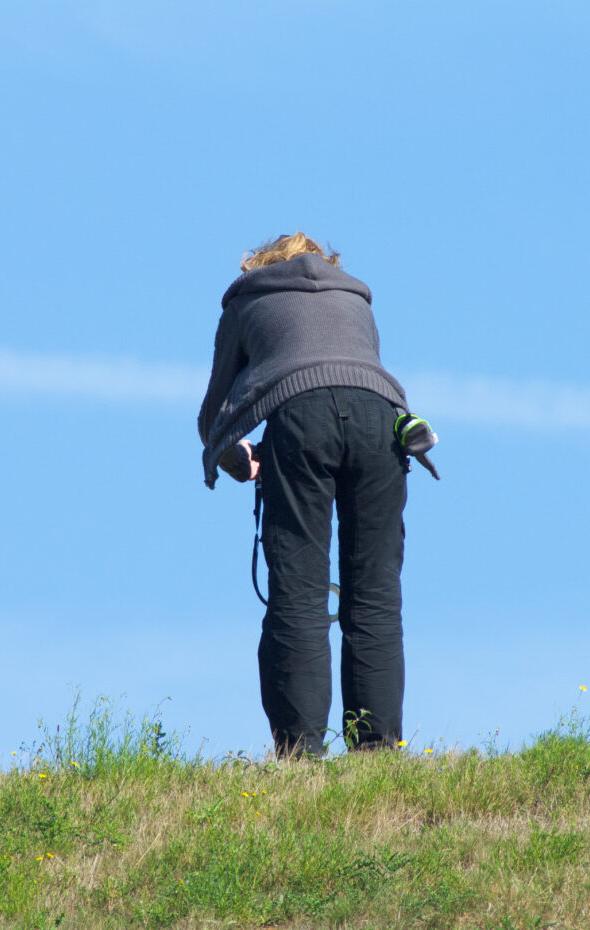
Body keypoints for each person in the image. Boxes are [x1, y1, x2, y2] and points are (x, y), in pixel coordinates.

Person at [199, 232, 417, 757]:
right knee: (375, 596)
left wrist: (237, 461)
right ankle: (379, 755)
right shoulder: (355, 298)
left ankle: (300, 756)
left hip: (301, 419)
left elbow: (216, 416)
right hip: (385, 420)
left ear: (261, 265)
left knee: (297, 594)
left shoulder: (247, 299)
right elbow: (352, 373)